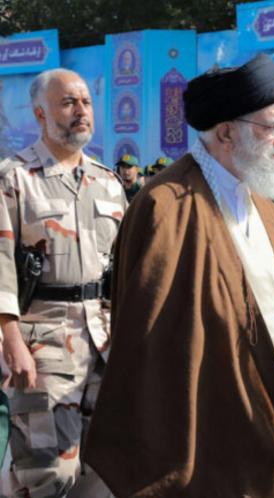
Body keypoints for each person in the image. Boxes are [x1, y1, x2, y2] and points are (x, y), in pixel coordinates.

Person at [82, 54, 274, 497]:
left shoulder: (263, 205)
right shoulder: (166, 206)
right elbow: (149, 345)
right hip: (211, 434)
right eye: (273, 128)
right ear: (226, 133)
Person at [0, 68, 123, 498]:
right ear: (40, 114)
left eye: (86, 102)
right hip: (43, 343)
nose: (81, 111)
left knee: (101, 468)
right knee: (46, 470)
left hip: (104, 342)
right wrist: (11, 342)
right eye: (68, 103)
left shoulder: (108, 182)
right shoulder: (14, 178)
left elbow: (123, 268)